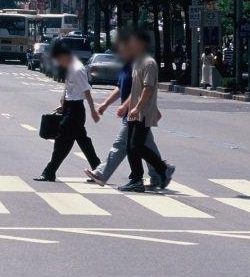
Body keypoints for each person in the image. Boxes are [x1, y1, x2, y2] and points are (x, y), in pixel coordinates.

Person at [84, 31, 162, 188]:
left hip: (138, 112)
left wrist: (129, 106)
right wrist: (106, 104)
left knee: (126, 146)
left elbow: (142, 89)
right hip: (133, 112)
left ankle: (104, 174)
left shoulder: (144, 63)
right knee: (141, 147)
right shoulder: (129, 66)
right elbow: (122, 88)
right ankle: (160, 173)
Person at [34, 42, 101, 182]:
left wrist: (93, 110)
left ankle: (49, 172)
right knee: (83, 141)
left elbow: (86, 90)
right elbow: (69, 89)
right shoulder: (69, 67)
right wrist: (63, 103)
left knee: (61, 141)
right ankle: (99, 170)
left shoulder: (77, 69)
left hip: (75, 111)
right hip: (70, 108)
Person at [118, 30, 175, 193]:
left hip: (142, 112)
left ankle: (143, 176)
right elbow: (135, 90)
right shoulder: (137, 62)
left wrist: (137, 107)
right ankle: (157, 170)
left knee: (135, 146)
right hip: (134, 111)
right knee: (131, 147)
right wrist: (126, 106)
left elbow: (147, 88)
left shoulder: (149, 63)